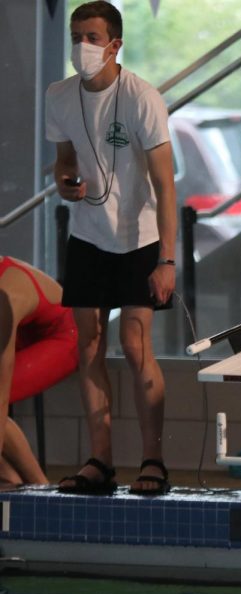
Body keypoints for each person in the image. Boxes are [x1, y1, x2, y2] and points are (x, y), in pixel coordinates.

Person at [45, 1, 176, 495]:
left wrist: (167, 259)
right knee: (89, 345)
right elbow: (62, 161)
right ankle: (100, 460)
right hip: (87, 235)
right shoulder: (58, 95)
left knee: (134, 344)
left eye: (93, 37)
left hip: (138, 237)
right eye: (77, 36)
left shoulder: (142, 97)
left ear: (115, 44)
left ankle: (154, 460)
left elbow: (166, 185)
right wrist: (65, 182)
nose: (83, 46)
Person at [0, 257, 78, 485]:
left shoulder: (7, 297)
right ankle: (9, 477)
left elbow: (1, 398)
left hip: (64, 336)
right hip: (23, 331)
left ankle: (40, 486)